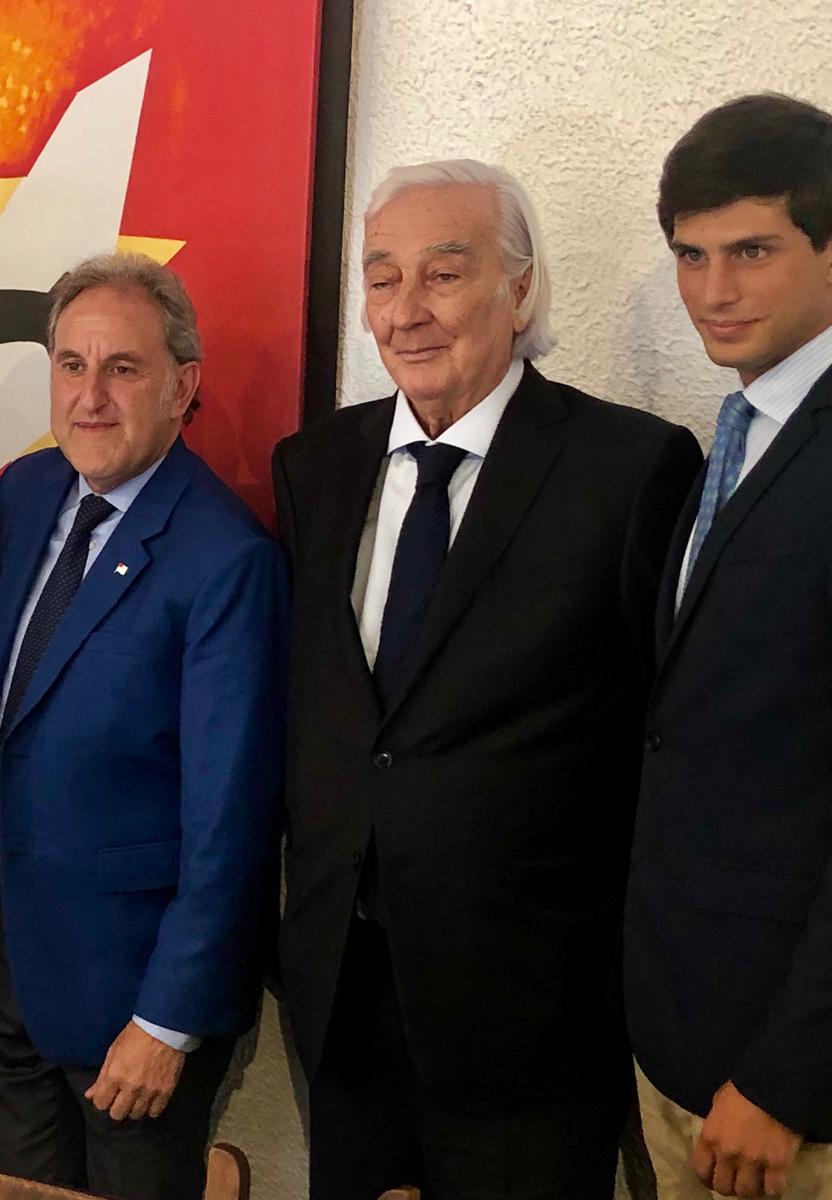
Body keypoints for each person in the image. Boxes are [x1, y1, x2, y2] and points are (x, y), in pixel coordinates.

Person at [272, 160, 702, 1200]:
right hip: (344, 990)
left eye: (444, 273)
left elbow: (670, 746)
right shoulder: (315, 466)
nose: (405, 310)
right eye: (382, 278)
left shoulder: (629, 470)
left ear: (519, 288)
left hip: (532, 1017)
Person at [0, 252, 285, 1200]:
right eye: (71, 364)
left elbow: (232, 819)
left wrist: (167, 1021)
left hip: (131, 1007)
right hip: (10, 973)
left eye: (123, 368)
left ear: (182, 387)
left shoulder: (226, 559)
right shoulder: (25, 495)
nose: (90, 396)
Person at [625, 93, 832, 1200]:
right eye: (689, 255)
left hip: (786, 1095)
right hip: (688, 1038)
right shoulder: (744, 427)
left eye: (751, 251)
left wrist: (789, 1076)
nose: (713, 291)